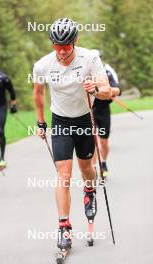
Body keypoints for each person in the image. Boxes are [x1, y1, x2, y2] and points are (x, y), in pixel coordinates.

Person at [33, 18, 112, 251]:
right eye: (57, 45)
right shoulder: (43, 65)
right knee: (64, 174)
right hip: (60, 121)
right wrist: (40, 122)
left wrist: (95, 89)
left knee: (86, 168)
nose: (62, 50)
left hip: (84, 120)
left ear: (75, 41)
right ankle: (64, 226)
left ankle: (89, 190)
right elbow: (38, 93)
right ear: (51, 43)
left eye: (66, 45)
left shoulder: (89, 59)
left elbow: (107, 92)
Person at [91, 49, 121, 178]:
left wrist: (107, 91)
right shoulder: (84, 72)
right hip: (88, 111)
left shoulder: (107, 72)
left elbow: (118, 90)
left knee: (103, 142)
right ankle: (93, 169)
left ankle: (103, 162)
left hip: (103, 110)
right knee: (91, 142)